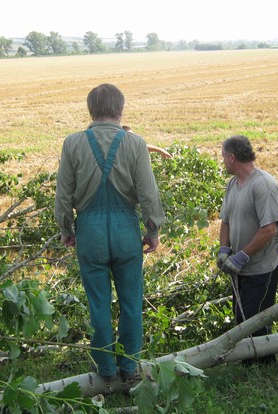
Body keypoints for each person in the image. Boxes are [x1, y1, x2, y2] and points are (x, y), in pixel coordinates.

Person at [54, 83, 166, 383]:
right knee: (131, 302)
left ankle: (105, 370)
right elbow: (148, 193)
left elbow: (63, 195)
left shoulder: (72, 143)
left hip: (89, 230)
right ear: (121, 109)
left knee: (98, 303)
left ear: (91, 110)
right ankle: (129, 367)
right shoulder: (136, 144)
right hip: (125, 229)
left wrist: (66, 229)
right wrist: (153, 229)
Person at [217, 135, 278, 364]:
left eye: (223, 157)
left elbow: (269, 230)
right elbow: (225, 221)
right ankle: (250, 363)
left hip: (261, 267)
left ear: (232, 157)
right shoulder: (232, 185)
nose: (222, 161)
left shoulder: (263, 185)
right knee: (242, 317)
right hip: (240, 266)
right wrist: (224, 250)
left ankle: (265, 364)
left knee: (256, 320)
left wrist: (242, 255)